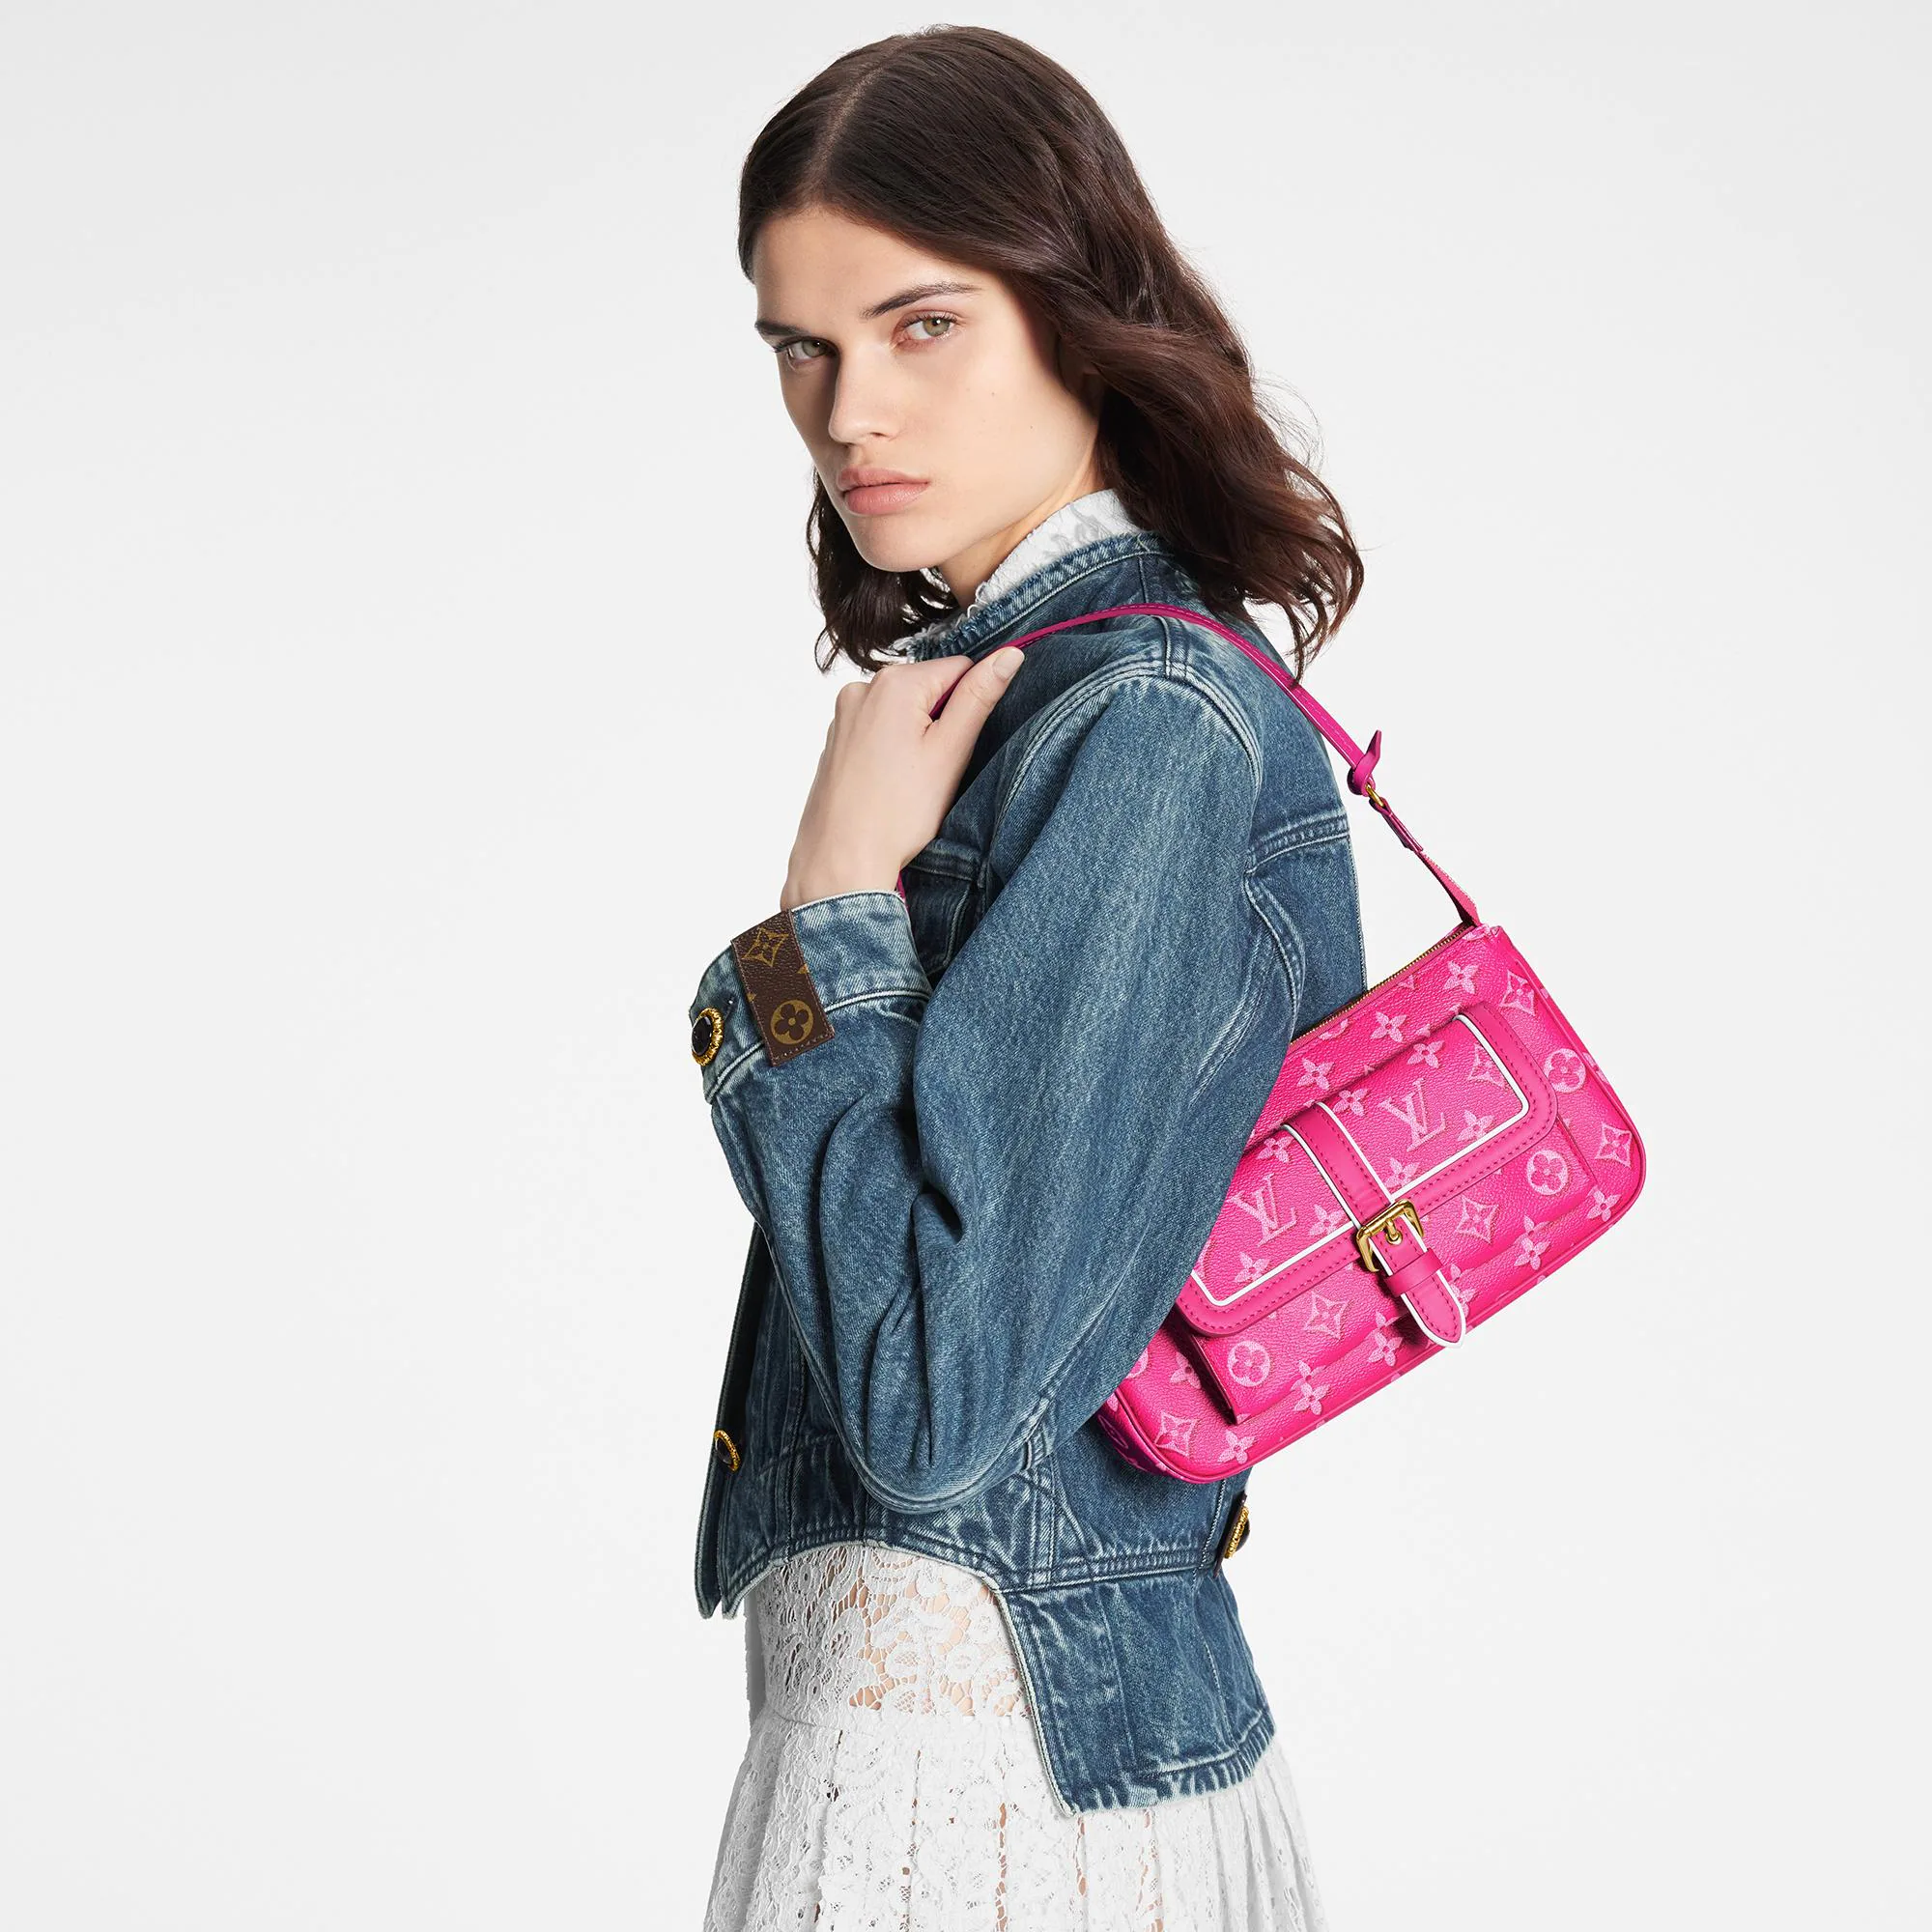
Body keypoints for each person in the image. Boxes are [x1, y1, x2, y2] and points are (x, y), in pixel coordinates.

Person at [685, 26, 1367, 1929]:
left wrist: (825, 924)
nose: (847, 413)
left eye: (922, 326)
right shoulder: (1024, 700)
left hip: (986, 1773)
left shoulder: (1140, 720)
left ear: (1074, 310)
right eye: (800, 347)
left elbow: (937, 1400)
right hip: (952, 1739)